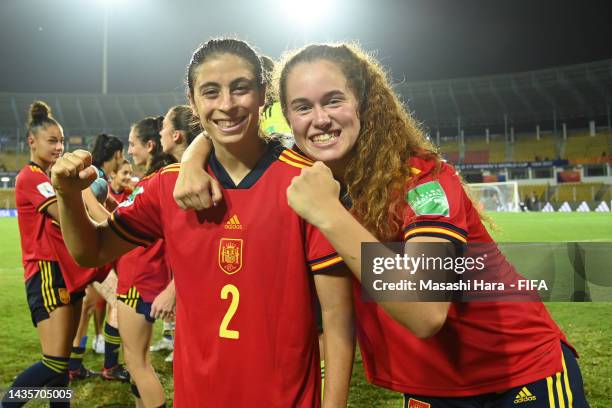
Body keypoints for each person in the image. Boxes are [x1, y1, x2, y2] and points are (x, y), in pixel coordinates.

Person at [175, 43, 589, 407]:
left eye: (334, 100)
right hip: (429, 386)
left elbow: (425, 313)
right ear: (287, 118)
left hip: (518, 375)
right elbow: (231, 129)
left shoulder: (423, 181)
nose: (319, 119)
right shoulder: (308, 176)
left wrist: (330, 213)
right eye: (302, 107)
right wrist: (194, 155)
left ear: (364, 103)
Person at [51, 38, 354, 408]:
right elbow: (91, 251)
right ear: (193, 102)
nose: (226, 104)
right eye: (211, 92)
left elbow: (338, 320)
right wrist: (67, 196)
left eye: (240, 88)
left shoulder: (307, 184)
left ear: (262, 94)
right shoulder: (166, 186)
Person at [2, 101, 86, 407]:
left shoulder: (49, 177)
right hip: (46, 273)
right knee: (53, 362)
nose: (59, 147)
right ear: (32, 141)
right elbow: (65, 217)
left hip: (63, 271)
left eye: (61, 140)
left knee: (60, 364)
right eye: (52, 140)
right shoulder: (31, 177)